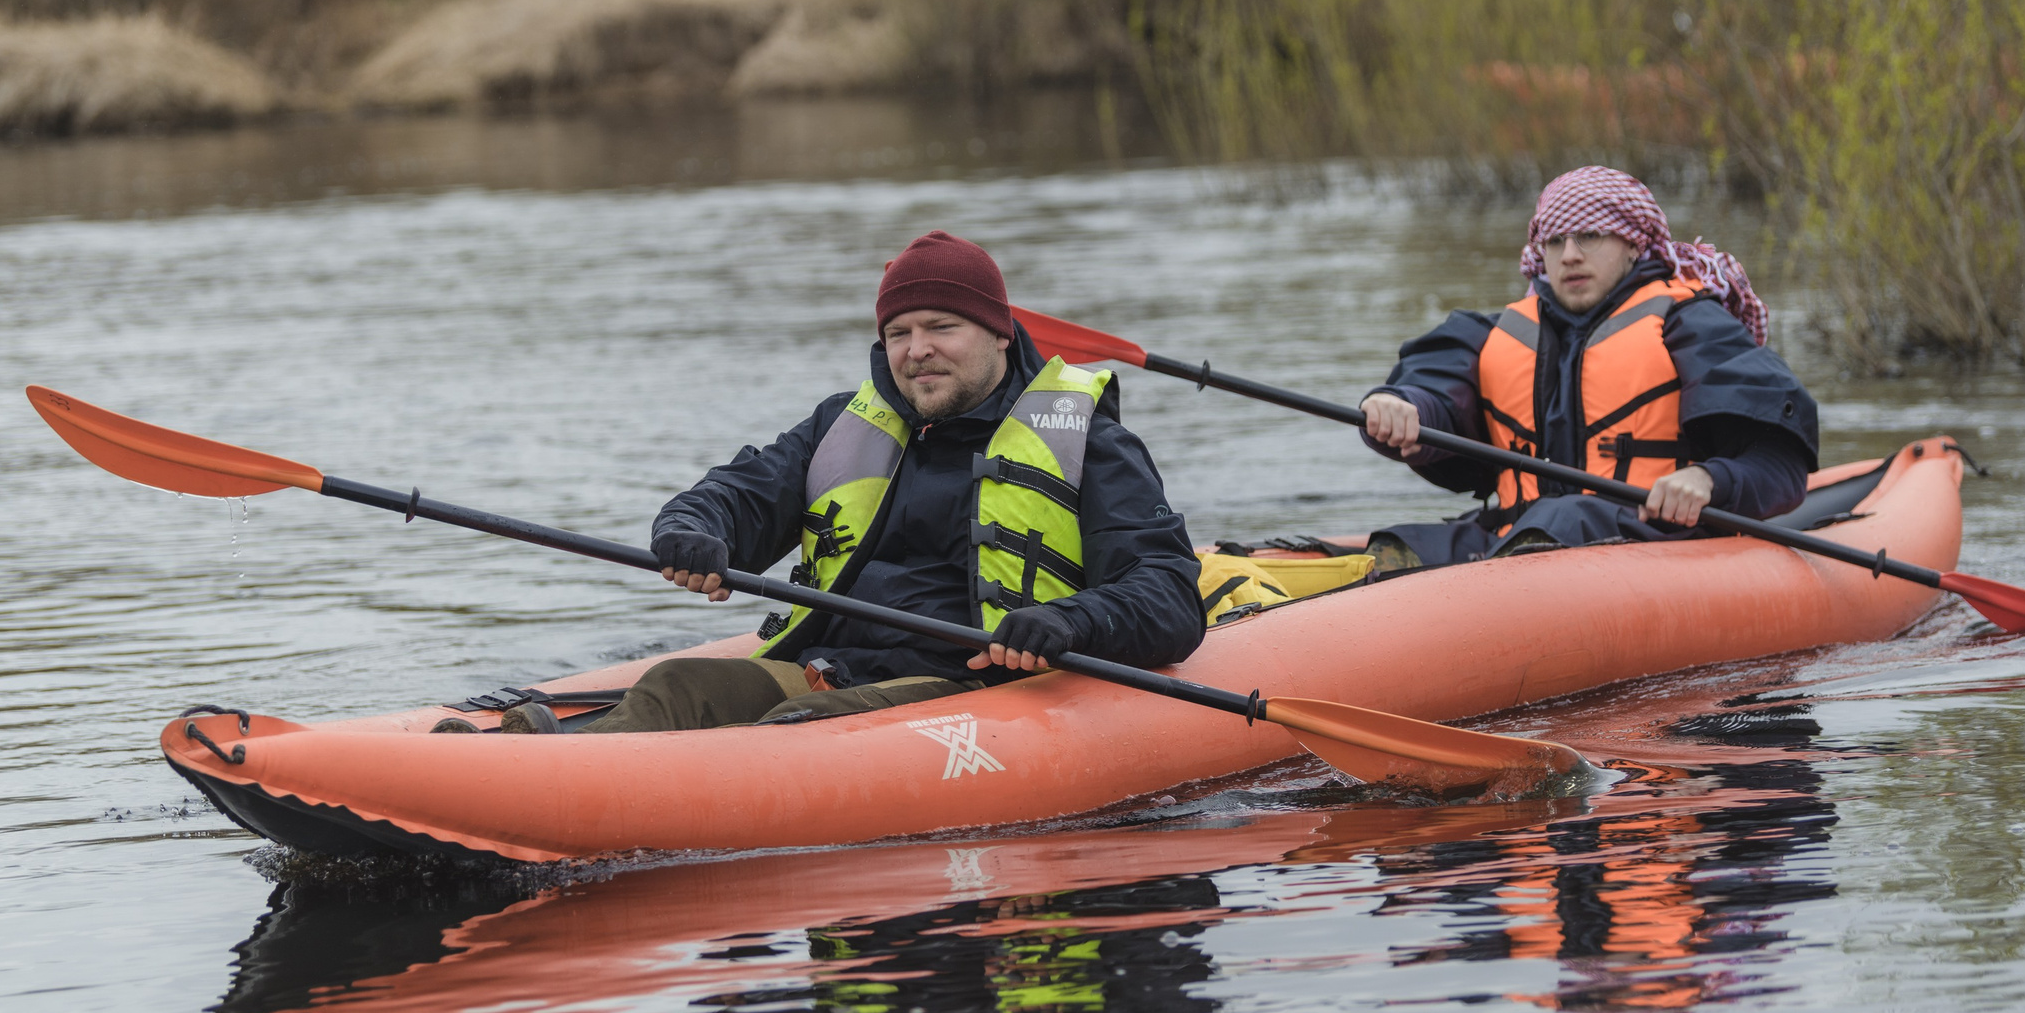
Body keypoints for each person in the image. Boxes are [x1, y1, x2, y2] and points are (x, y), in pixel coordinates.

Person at [475, 231, 1206, 735]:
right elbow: (738, 493)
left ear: (999, 334)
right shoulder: (842, 426)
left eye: (942, 327)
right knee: (677, 686)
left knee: (798, 728)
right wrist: (692, 530)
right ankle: (521, 766)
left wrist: (1071, 620)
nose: (917, 351)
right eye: (899, 333)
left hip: (974, 686)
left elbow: (1169, 595)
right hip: (830, 669)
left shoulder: (1089, 442)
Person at [1356, 165, 1818, 566]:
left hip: (1652, 539)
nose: (1570, 255)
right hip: (1517, 537)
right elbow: (1435, 385)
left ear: (1633, 244)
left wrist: (1709, 479)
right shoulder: (1493, 333)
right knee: (1397, 546)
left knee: (1561, 519)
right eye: (1555, 242)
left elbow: (1781, 464)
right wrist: (1402, 407)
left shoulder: (1691, 325)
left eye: (1589, 237)